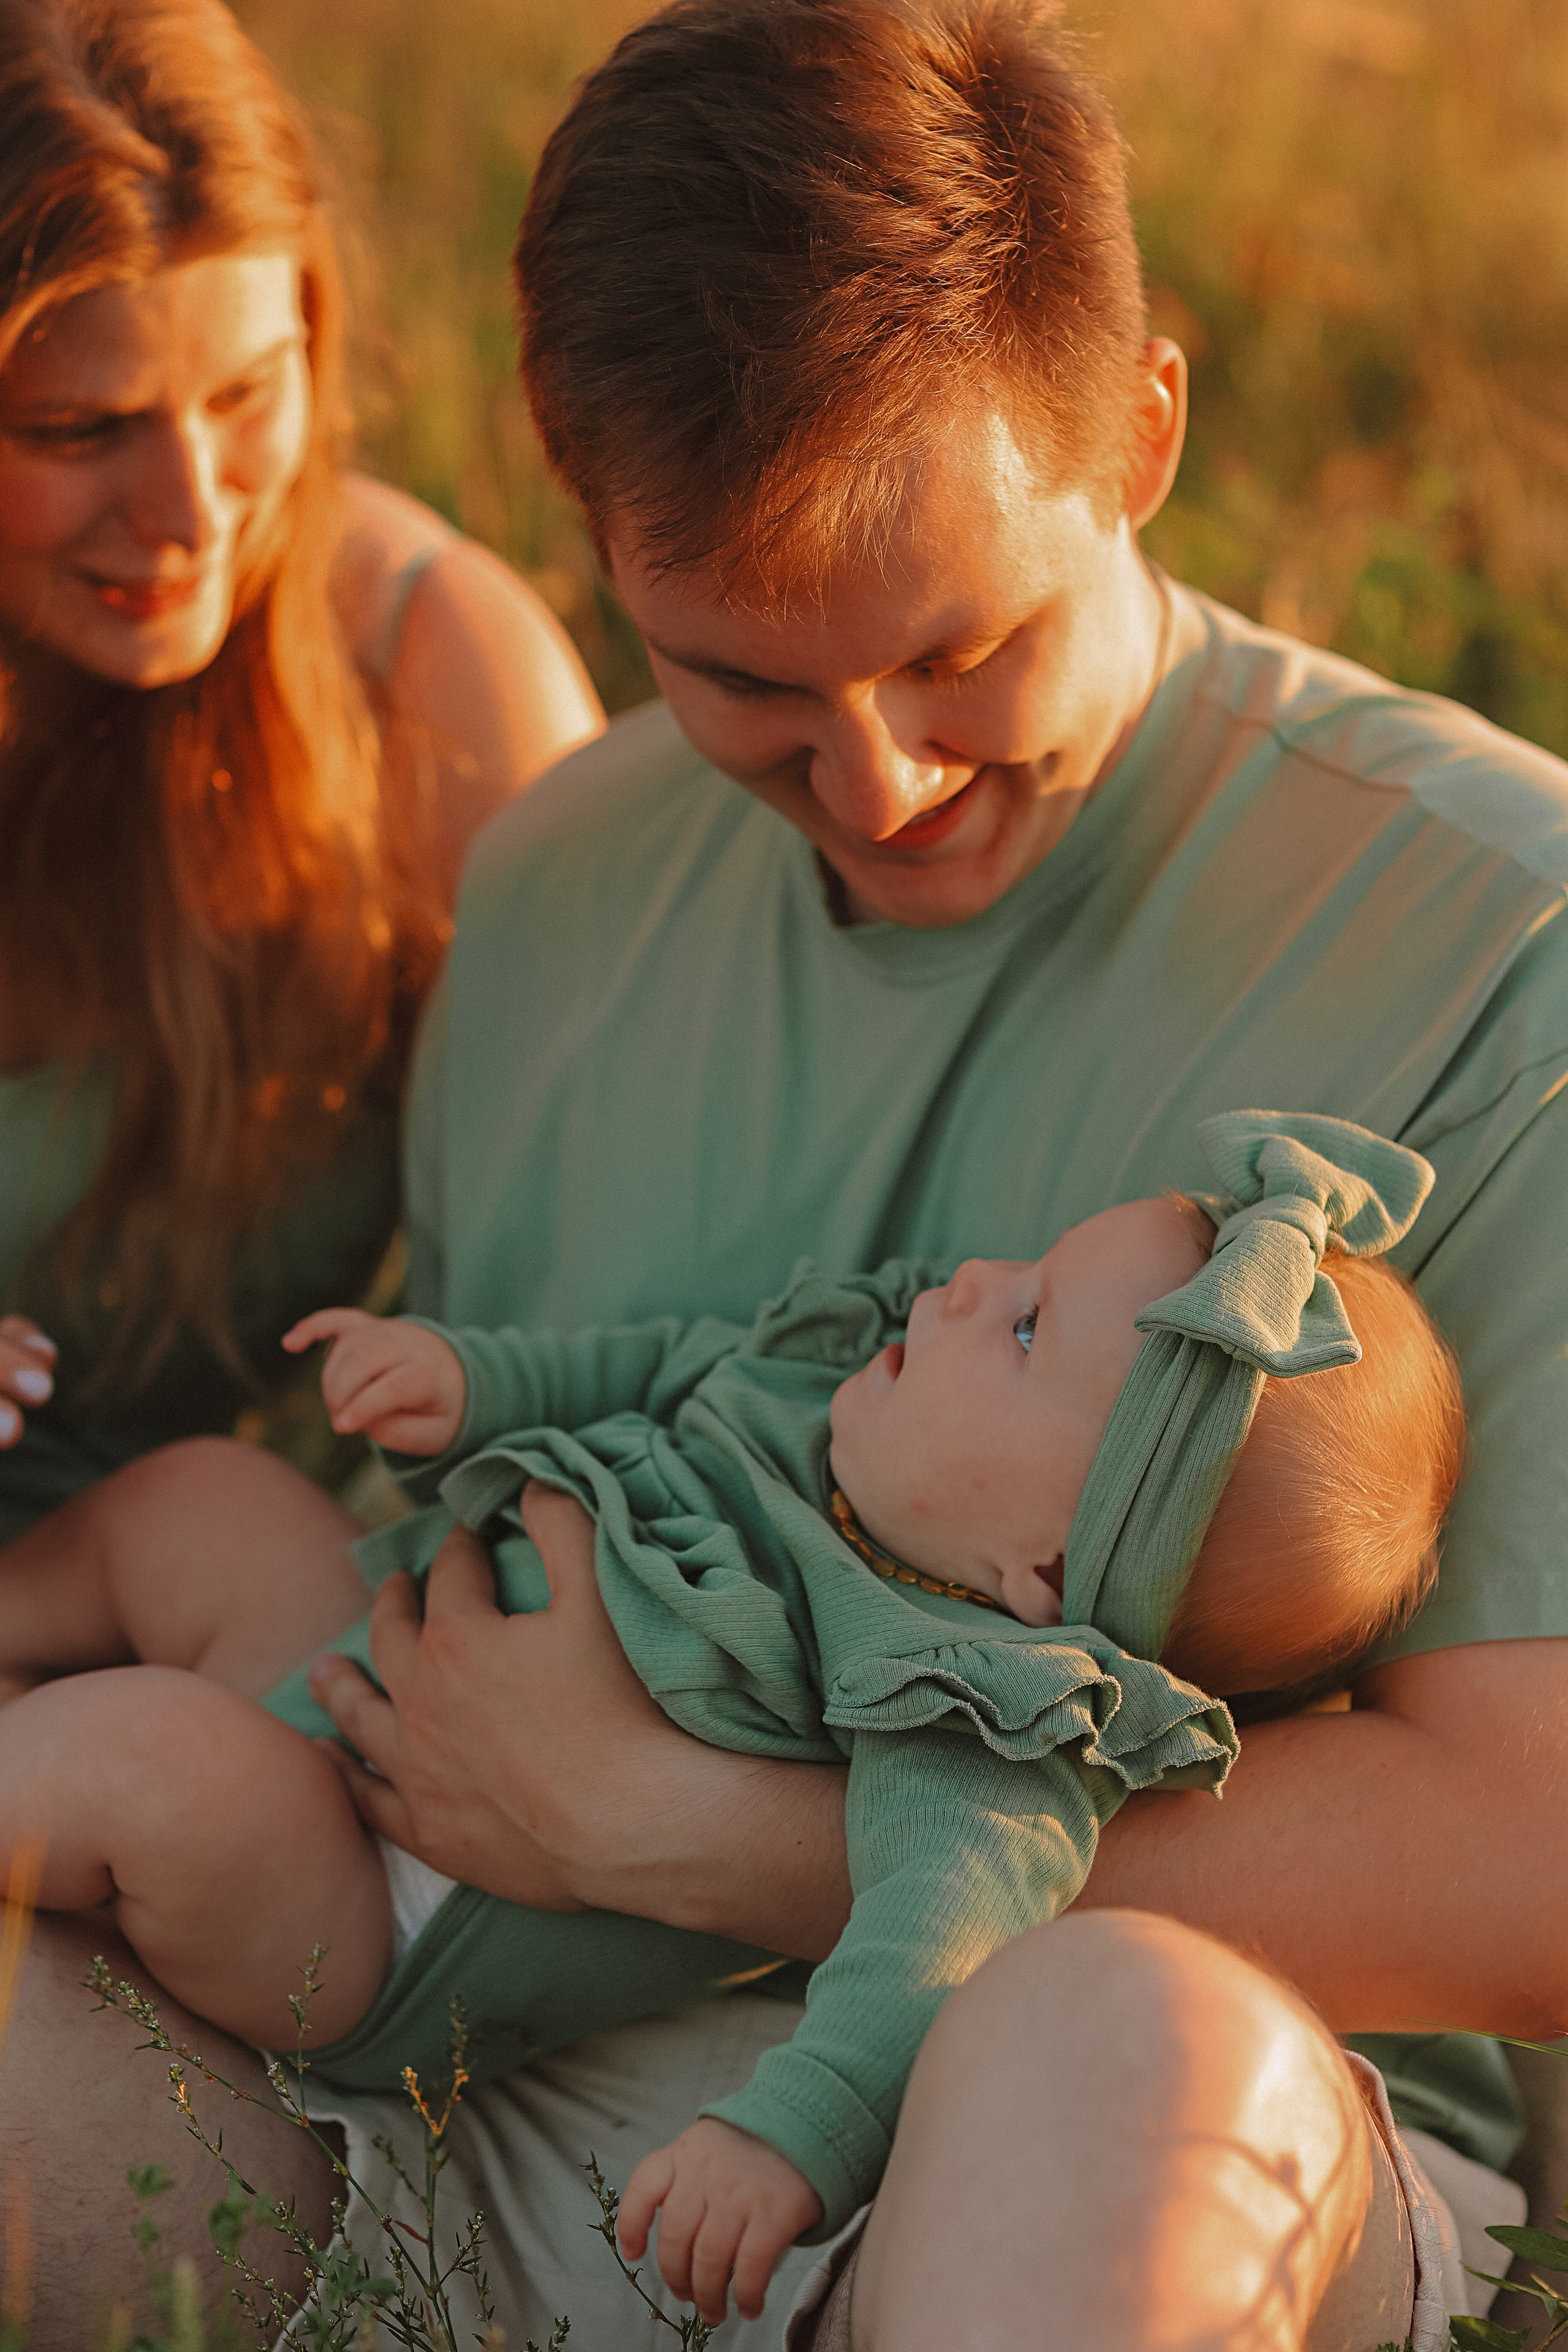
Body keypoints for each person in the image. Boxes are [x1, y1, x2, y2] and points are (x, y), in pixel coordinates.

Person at [4, 0, 1563, 2344]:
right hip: (470, 2097)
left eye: (965, 651)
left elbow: (1539, 1860)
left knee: (1109, 2034)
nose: (883, 783)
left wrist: (702, 1836)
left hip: (1094, 2118)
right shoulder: (558, 879)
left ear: (1144, 431)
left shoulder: (1502, 941)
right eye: (743, 684)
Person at [0, 1114, 1460, 2328]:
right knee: (209, 1501)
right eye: (1024, 1270)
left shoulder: (967, 1710)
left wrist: (789, 2141)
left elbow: (931, 1956)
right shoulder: (844, 1400)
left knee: (143, 1760)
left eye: (1023, 1326)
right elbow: (661, 1366)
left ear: (1043, 1573)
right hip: (367, 1662)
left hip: (371, 1896)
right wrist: (473, 1383)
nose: (968, 1283)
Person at [0, 0, 603, 1547]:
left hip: (272, 1591)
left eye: (245, 393)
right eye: (80, 428)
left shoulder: (434, 677)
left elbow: (613, 1267)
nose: (192, 511)